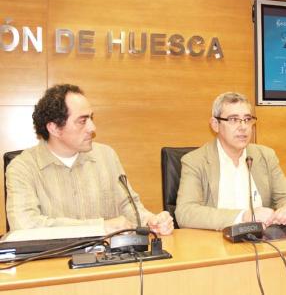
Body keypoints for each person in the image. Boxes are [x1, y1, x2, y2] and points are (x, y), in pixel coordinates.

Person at [6, 84, 173, 235]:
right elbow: (24, 226)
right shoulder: (22, 168)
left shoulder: (106, 156)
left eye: (91, 118)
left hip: (108, 261)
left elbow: (129, 207)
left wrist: (151, 220)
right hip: (52, 264)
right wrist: (99, 228)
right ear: (54, 128)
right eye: (82, 121)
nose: (92, 128)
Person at [175, 92, 286, 230]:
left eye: (247, 119)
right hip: (215, 243)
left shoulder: (265, 156)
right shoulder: (195, 161)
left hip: (262, 243)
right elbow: (185, 213)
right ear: (215, 124)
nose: (243, 127)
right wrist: (243, 217)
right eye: (233, 119)